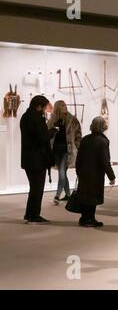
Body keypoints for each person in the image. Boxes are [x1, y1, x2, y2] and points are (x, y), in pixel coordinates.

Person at [20, 95, 58, 224]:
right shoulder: (35, 118)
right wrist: (53, 130)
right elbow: (41, 138)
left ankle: (30, 214)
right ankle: (33, 215)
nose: (45, 109)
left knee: (35, 188)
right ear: (39, 106)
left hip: (30, 158)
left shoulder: (26, 117)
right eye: (44, 106)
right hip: (37, 159)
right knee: (37, 189)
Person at [76, 117, 115, 227]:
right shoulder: (103, 141)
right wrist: (111, 176)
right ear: (103, 126)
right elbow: (105, 161)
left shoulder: (85, 139)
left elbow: (79, 158)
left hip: (84, 172)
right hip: (96, 173)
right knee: (93, 196)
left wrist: (78, 171)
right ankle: (90, 219)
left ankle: (84, 218)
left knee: (85, 195)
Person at [47, 100, 82, 205]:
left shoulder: (72, 120)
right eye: (62, 105)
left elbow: (78, 135)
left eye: (65, 105)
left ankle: (57, 195)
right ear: (57, 107)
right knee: (62, 172)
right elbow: (47, 134)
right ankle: (68, 195)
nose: (65, 106)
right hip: (56, 150)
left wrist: (79, 147)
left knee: (62, 172)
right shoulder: (52, 120)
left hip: (67, 150)